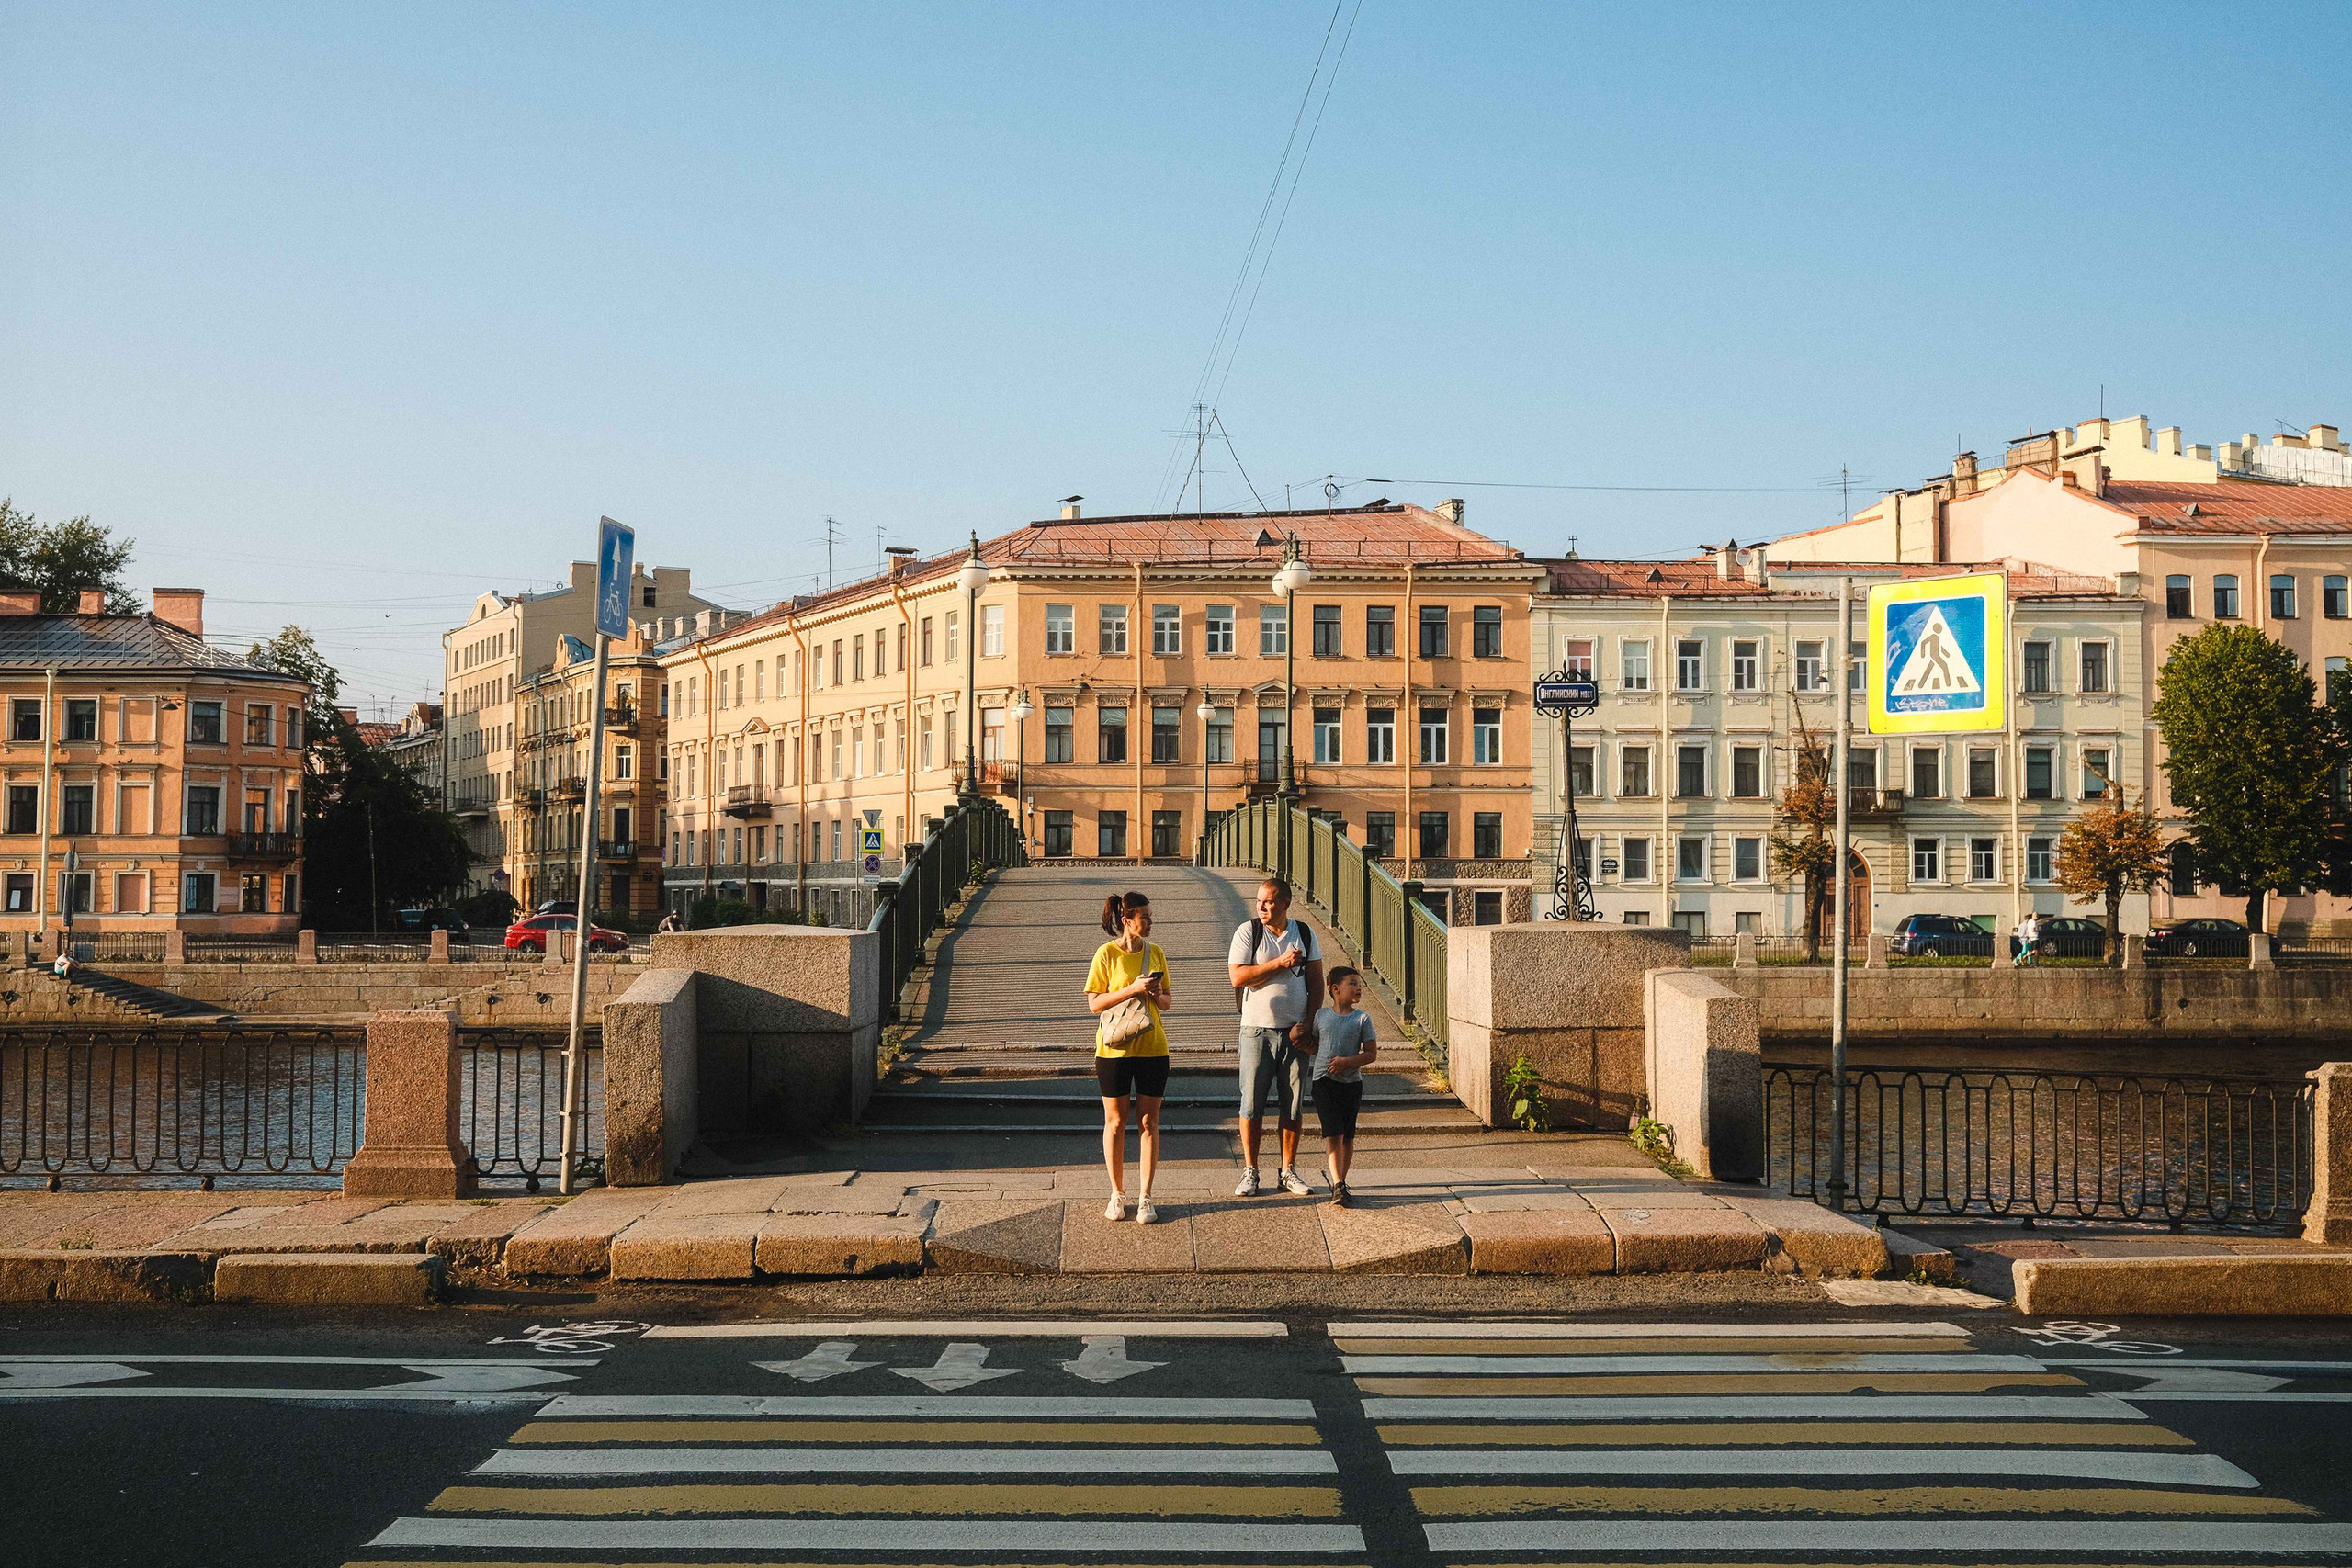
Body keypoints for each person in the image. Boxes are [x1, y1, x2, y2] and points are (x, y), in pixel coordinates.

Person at [1227, 875, 1323, 1198]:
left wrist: (1308, 1022)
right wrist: (1280, 963)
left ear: (1285, 903)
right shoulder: (1249, 931)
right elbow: (1238, 976)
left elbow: (1317, 982)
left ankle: (1288, 1171)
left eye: (1269, 901)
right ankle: (1250, 1171)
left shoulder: (1305, 933)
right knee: (1251, 1103)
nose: (1262, 907)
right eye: (1259, 901)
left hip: (1295, 1033)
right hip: (1256, 1030)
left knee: (1293, 1104)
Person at [1084, 890, 1171, 1224]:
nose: (1150, 922)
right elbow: (1094, 1004)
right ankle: (1117, 1194)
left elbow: (1167, 1004)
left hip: (1153, 1047)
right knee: (1116, 1122)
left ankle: (1146, 1196)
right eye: (1144, 917)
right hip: (1113, 1050)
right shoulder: (1106, 954)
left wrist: (1155, 993)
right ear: (1127, 920)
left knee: (1149, 1123)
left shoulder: (1157, 953)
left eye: (1151, 916)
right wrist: (1132, 989)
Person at [1309, 965, 1378, 1207]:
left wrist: (1347, 1062)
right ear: (1335, 988)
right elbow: (1316, 1044)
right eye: (1352, 983)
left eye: (1359, 984)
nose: (1358, 988)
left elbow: (1371, 1054)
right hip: (1324, 1082)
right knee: (1334, 1133)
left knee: (1348, 1135)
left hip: (1351, 1084)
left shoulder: (1362, 1019)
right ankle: (1337, 1183)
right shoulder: (1321, 1016)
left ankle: (1342, 1182)